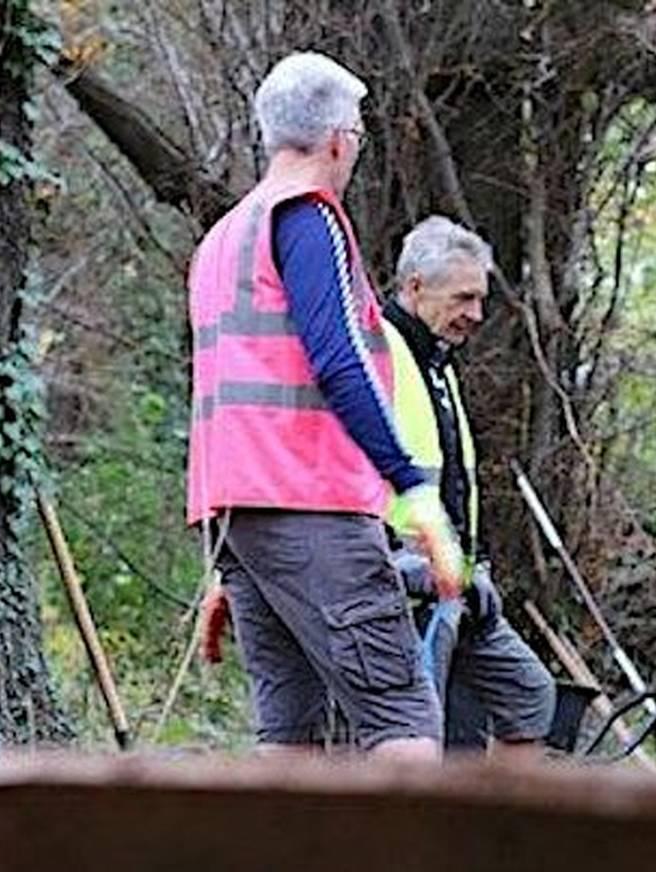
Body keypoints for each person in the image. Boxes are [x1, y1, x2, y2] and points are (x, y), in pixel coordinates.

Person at [187, 52, 461, 759]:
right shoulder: (308, 219)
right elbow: (337, 362)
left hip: (238, 517)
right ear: (340, 138)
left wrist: (237, 562)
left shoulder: (224, 238)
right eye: (360, 135)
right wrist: (414, 491)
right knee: (403, 717)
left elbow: (233, 392)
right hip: (312, 507)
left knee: (291, 733)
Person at [383, 217, 555, 761]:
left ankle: (502, 834)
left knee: (528, 695)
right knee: (422, 729)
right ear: (414, 288)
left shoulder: (439, 363)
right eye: (464, 298)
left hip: (458, 581)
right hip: (404, 580)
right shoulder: (377, 352)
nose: (476, 315)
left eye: (480, 299)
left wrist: (469, 566)